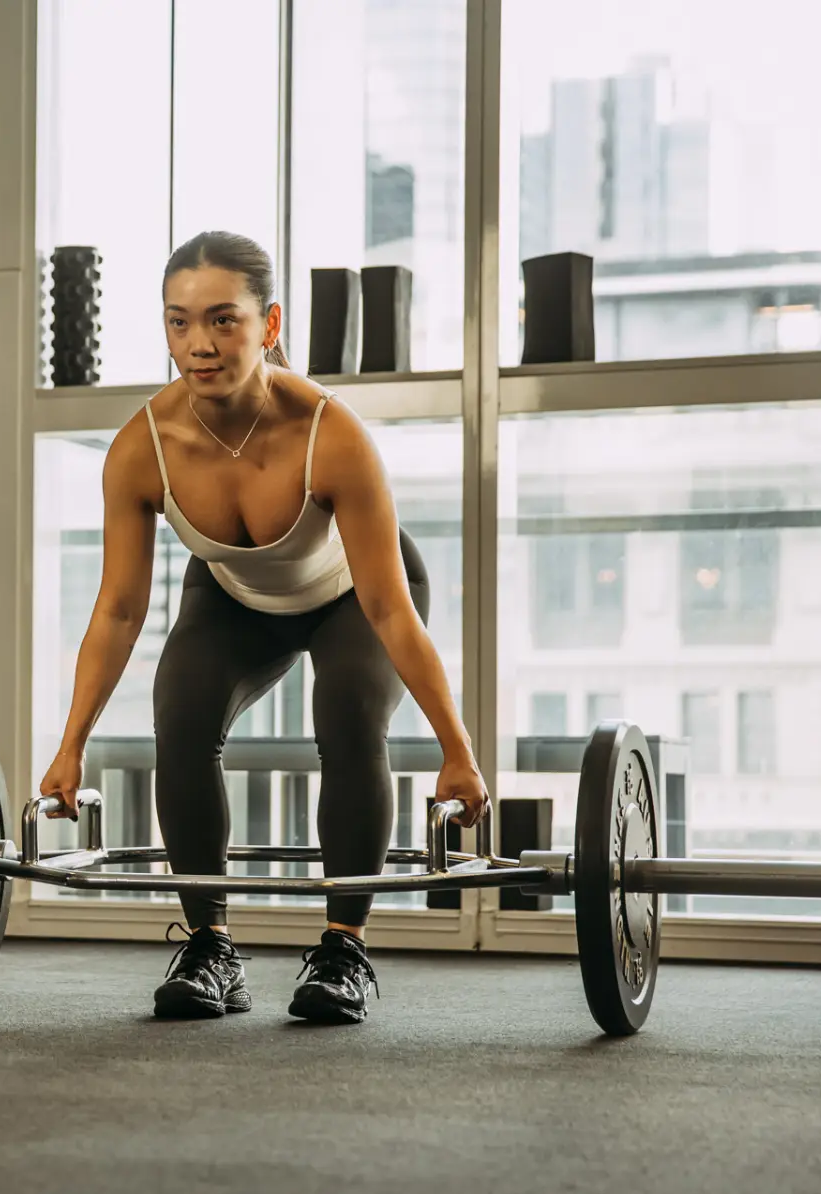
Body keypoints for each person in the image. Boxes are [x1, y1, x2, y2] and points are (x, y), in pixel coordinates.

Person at [38, 231, 489, 1025]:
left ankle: (342, 949)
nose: (199, 344)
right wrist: (70, 744)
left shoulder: (330, 432)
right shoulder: (143, 448)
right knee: (179, 716)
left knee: (348, 713)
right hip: (233, 594)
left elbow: (388, 609)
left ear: (270, 323)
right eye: (178, 323)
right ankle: (211, 946)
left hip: (354, 591)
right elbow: (117, 608)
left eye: (222, 320)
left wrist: (458, 749)